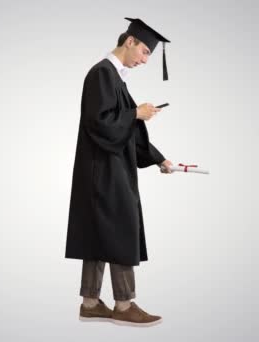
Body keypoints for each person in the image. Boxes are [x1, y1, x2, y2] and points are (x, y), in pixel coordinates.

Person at [65, 17, 173, 327]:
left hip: (105, 170)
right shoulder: (102, 73)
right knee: (120, 227)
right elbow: (99, 123)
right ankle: (124, 306)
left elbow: (125, 128)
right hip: (104, 172)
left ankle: (90, 302)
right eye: (144, 52)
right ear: (130, 42)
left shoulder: (115, 78)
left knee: (100, 232)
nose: (145, 60)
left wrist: (159, 159)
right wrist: (136, 113)